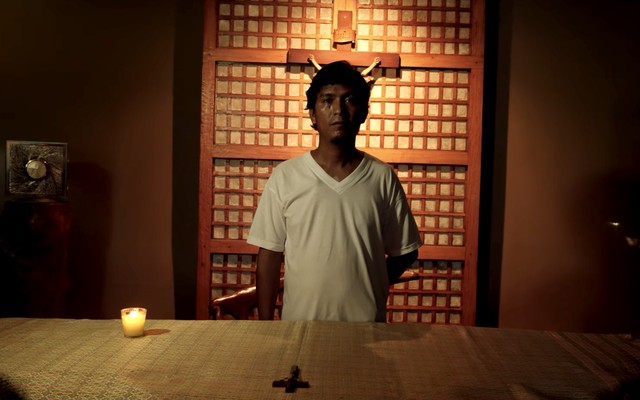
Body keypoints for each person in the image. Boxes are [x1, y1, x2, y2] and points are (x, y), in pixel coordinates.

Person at [246, 61, 422, 322]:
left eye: (349, 100)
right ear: (312, 114)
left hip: (366, 328)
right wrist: (265, 325)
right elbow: (269, 255)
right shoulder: (286, 177)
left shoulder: (382, 177)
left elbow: (406, 250)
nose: (339, 110)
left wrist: (373, 279)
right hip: (300, 326)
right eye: (328, 100)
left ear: (363, 112)